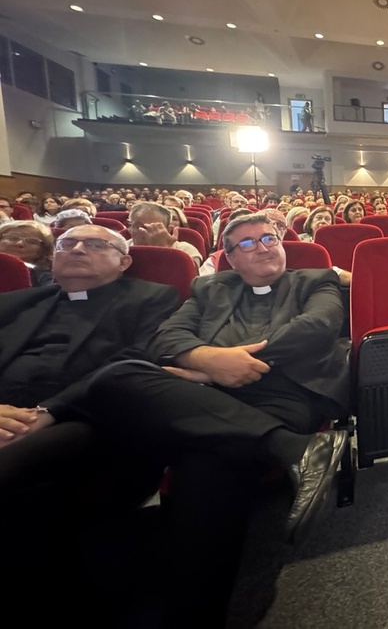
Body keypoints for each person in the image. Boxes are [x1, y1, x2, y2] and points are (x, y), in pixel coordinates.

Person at [60, 213, 351, 624]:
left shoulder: (315, 279)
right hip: (206, 393)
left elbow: (316, 328)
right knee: (114, 377)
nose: (263, 246)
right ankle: (295, 450)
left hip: (284, 394)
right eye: (247, 243)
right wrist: (209, 363)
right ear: (230, 257)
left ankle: (193, 614)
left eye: (269, 237)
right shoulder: (209, 286)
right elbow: (168, 337)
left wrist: (225, 363)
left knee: (204, 465)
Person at [0, 225, 178, 616]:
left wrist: (48, 412)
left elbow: (133, 365)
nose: (78, 249)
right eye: (68, 244)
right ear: (52, 257)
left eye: (96, 244)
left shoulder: (152, 298)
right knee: (33, 503)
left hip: (92, 416)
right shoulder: (13, 303)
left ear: (124, 261)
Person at [127, 201, 203, 268]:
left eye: (154, 227)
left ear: (168, 230)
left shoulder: (186, 251)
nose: (143, 231)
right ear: (129, 227)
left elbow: (190, 280)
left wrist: (163, 249)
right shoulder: (121, 249)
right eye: (139, 226)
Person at [0, 220, 55, 286]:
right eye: (13, 238)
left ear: (43, 250)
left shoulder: (44, 278)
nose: (20, 243)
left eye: (31, 241)